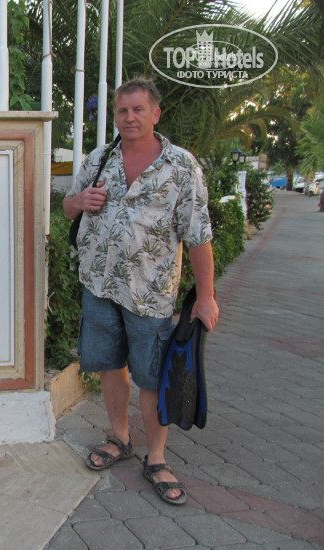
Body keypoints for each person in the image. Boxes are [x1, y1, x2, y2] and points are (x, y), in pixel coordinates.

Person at [63, 77, 219, 505]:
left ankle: (157, 457)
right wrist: (80, 202)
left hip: (150, 294)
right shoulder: (99, 159)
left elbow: (199, 235)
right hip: (99, 285)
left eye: (138, 109)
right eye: (122, 110)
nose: (129, 117)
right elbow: (68, 207)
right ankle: (119, 438)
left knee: (152, 377)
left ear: (155, 114)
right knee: (110, 366)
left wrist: (206, 296)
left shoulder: (181, 166)